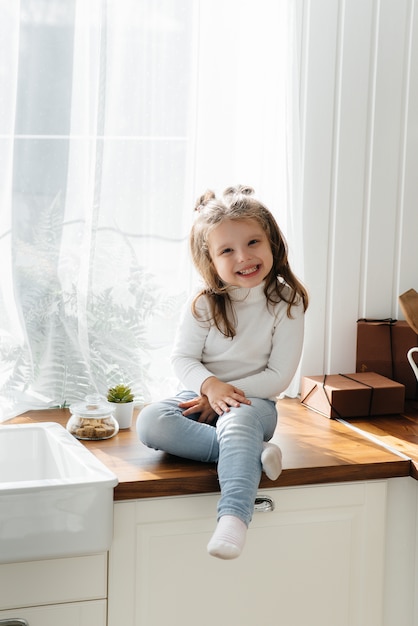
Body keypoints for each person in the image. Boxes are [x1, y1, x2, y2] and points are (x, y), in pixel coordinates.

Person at [137, 185, 308, 560]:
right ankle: (254, 454)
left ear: (272, 244)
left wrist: (223, 398)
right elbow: (182, 359)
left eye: (252, 242)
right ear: (210, 260)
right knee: (151, 421)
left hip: (254, 403)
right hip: (202, 395)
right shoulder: (203, 304)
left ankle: (234, 517)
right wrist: (210, 388)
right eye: (227, 250)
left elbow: (278, 376)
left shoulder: (287, 302)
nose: (243, 257)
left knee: (238, 422)